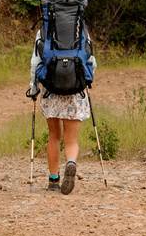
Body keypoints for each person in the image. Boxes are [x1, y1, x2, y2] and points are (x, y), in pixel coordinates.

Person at [28, 32, 96, 195]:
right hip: (75, 91)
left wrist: (33, 87)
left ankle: (53, 180)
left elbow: (35, 62)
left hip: (51, 91)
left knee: (54, 136)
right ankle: (71, 162)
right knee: (71, 140)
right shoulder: (81, 27)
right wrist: (86, 80)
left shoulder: (45, 29)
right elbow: (91, 62)